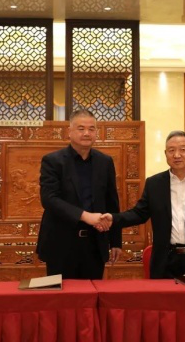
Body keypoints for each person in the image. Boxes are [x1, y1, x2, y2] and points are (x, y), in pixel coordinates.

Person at [98, 130, 185, 278]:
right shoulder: (154, 183)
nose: (177, 155)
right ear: (165, 154)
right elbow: (139, 214)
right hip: (165, 262)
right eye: (171, 150)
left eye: (183, 150)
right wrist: (114, 219)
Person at [36, 109, 122, 279]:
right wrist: (85, 216)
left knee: (93, 292)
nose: (86, 133)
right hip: (60, 243)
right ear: (69, 131)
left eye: (91, 129)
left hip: (95, 243)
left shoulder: (105, 162)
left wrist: (116, 241)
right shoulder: (53, 161)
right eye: (81, 128)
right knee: (62, 294)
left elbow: (112, 202)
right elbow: (49, 199)